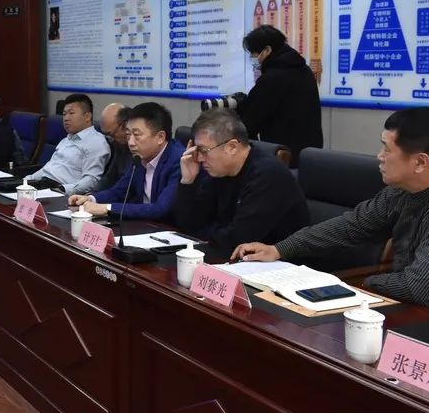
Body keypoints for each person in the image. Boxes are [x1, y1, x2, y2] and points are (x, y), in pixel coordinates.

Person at [233, 107, 429, 323]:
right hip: (407, 308)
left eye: (387, 149)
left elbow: (419, 288)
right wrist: (279, 249)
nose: (379, 156)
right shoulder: (404, 191)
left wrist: (348, 286)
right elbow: (351, 226)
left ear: (420, 162)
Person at [174, 109, 309, 254]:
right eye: (197, 150)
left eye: (203, 150)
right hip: (234, 257)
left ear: (232, 147)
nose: (199, 158)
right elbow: (188, 223)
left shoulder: (268, 175)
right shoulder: (219, 170)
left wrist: (204, 231)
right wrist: (188, 181)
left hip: (281, 262)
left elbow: (237, 238)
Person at [69, 102, 183, 220]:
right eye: (128, 134)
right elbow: (118, 191)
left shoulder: (178, 161)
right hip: (143, 225)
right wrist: (91, 199)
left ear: (160, 137)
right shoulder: (140, 157)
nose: (131, 142)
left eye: (137, 135)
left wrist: (107, 208)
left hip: (168, 228)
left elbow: (160, 209)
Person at [235, 25, 322, 167]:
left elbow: (250, 122)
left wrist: (240, 109)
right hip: (311, 156)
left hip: (282, 157)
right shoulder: (304, 70)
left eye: (253, 53)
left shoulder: (272, 78)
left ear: (267, 50)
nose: (253, 58)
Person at [27, 94, 109, 194]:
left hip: (61, 192)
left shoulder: (96, 142)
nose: (66, 118)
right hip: (42, 186)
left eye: (71, 113)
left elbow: (91, 180)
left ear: (87, 116)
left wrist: (62, 189)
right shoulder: (66, 140)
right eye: (64, 114)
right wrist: (26, 181)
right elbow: (48, 169)